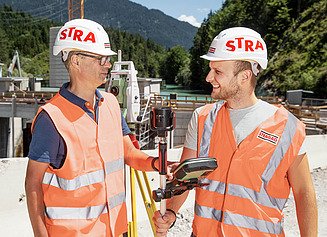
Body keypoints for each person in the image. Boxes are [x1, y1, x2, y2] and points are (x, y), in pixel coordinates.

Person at [153, 27, 318, 237]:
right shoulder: (202, 118)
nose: (208, 77)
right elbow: (184, 179)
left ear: (244, 76)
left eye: (218, 71)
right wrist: (171, 212)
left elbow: (304, 193)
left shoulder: (288, 128)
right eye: (210, 69)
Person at [25, 19, 160, 237]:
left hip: (116, 230)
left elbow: (129, 153)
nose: (108, 64)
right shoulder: (52, 118)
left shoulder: (111, 104)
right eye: (101, 59)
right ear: (76, 60)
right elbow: (33, 184)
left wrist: (157, 163)